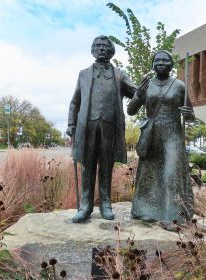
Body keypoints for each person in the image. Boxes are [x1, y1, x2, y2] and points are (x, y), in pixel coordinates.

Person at [67, 35, 136, 223]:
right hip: (87, 126)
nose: (102, 48)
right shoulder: (83, 74)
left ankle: (106, 204)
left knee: (106, 166)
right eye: (98, 46)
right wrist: (71, 124)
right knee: (87, 166)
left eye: (106, 46)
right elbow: (75, 102)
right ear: (92, 49)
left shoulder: (120, 74)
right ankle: (85, 207)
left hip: (110, 126)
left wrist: (150, 89)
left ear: (112, 51)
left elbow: (135, 92)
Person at [127, 50, 195, 229]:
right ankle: (146, 211)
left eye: (165, 60)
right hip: (151, 133)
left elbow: (190, 117)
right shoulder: (146, 85)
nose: (161, 62)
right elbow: (131, 110)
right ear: (153, 64)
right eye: (158, 60)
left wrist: (189, 114)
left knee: (170, 174)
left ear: (171, 64)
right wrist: (138, 95)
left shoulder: (179, 85)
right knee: (149, 174)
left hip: (172, 133)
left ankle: (173, 216)